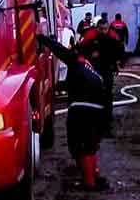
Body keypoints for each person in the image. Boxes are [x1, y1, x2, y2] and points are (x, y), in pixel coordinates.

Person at [37, 35, 109, 191]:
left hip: (80, 109)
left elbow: (59, 50)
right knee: (90, 145)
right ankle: (94, 175)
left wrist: (42, 38)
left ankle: (89, 183)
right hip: (98, 111)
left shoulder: (76, 59)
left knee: (78, 147)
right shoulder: (94, 71)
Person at [78, 18, 123, 137]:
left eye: (105, 29)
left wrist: (117, 65)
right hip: (93, 71)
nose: (104, 31)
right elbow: (80, 51)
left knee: (107, 98)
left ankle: (106, 127)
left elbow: (119, 51)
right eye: (101, 29)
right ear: (97, 28)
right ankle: (92, 126)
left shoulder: (113, 37)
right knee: (92, 97)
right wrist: (89, 57)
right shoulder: (89, 36)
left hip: (107, 70)